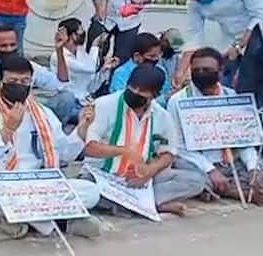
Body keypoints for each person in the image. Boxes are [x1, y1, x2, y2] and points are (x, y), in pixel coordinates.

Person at [0, 55, 101, 238]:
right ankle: (63, 221)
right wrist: (7, 131)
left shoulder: (44, 114)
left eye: (25, 81)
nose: (19, 85)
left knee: (91, 191)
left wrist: (83, 126)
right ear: (0, 82)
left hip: (38, 183)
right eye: (13, 81)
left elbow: (65, 154)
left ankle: (19, 219)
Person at [83, 64, 206, 216]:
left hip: (142, 179)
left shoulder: (162, 116)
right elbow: (90, 148)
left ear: (155, 95)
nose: (135, 93)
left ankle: (135, 204)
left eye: (142, 92)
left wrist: (149, 170)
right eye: (133, 88)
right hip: (103, 175)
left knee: (197, 180)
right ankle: (151, 204)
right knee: (88, 189)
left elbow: (168, 153)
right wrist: (124, 151)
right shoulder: (104, 104)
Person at [167, 47, 263, 205]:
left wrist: (253, 169)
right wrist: (210, 170)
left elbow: (244, 140)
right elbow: (178, 145)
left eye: (206, 69)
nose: (200, 73)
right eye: (196, 70)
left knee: (260, 170)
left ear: (220, 71)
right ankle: (233, 191)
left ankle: (231, 188)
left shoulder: (232, 97)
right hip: (200, 164)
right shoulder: (178, 101)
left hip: (232, 162)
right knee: (193, 179)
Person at [173, 0, 263, 89]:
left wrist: (239, 47)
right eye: (196, 0)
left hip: (262, 39)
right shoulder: (195, 2)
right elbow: (194, 37)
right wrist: (181, 71)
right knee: (226, 86)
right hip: (237, 44)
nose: (200, 2)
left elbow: (260, 17)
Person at [0, 24, 73, 123]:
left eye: (12, 45)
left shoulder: (29, 66)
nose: (9, 49)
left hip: (28, 114)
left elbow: (61, 84)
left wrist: (59, 50)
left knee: (67, 98)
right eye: (3, 46)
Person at [49, 18, 117, 123]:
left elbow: (90, 87)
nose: (83, 35)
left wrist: (104, 70)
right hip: (69, 104)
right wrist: (95, 46)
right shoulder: (57, 56)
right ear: (71, 35)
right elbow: (90, 69)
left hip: (84, 102)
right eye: (80, 32)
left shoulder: (81, 53)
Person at [91, 0, 159, 64]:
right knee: (93, 55)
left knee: (122, 60)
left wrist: (141, 0)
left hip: (130, 21)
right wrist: (99, 5)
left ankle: (115, 80)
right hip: (105, 17)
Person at [109, 32, 171, 106]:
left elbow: (166, 93)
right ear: (137, 56)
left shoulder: (160, 70)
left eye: (158, 55)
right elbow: (121, 100)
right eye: (151, 56)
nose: (156, 59)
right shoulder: (121, 74)